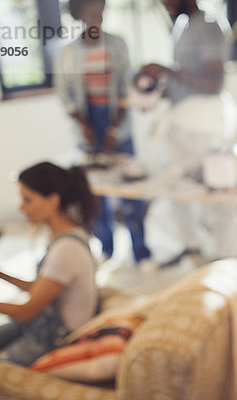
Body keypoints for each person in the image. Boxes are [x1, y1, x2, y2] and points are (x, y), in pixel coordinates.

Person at [0, 162, 99, 380]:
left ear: (53, 200)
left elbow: (26, 311)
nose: (21, 207)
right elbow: (41, 288)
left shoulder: (66, 250)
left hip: (52, 337)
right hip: (40, 324)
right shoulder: (66, 234)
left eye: (27, 199)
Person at [140, 0, 237, 259]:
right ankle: (192, 248)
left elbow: (213, 82)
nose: (164, 3)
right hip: (184, 123)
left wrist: (168, 71)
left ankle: (226, 257)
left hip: (203, 124)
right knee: (179, 189)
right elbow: (186, 77)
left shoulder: (208, 27)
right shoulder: (184, 25)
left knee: (217, 189)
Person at [55, 0, 153, 267]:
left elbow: (126, 88)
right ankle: (106, 248)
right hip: (86, 127)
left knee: (129, 190)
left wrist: (112, 128)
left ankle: (141, 252)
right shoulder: (68, 53)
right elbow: (65, 95)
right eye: (92, 13)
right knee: (95, 192)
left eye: (101, 11)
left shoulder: (117, 45)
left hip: (117, 125)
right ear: (78, 15)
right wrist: (85, 125)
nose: (98, 17)